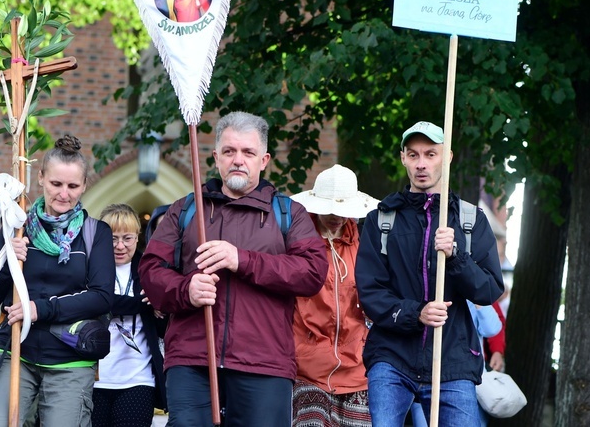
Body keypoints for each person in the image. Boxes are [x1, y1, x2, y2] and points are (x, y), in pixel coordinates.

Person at [139, 111, 329, 426]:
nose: (237, 159)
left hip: (264, 363)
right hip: (192, 360)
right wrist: (186, 290)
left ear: (264, 159)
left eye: (248, 152)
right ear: (216, 157)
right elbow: (150, 271)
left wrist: (242, 260)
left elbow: (312, 272)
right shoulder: (186, 210)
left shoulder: (289, 214)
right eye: (229, 151)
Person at [355, 121, 504, 426]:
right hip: (391, 358)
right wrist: (416, 312)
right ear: (403, 158)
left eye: (430, 154)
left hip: (453, 362)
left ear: (447, 156)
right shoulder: (381, 220)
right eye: (413, 155)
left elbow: (489, 290)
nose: (421, 164)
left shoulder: (470, 220)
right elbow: (370, 292)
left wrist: (456, 257)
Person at [0, 135, 115, 427]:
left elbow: (102, 297)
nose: (64, 194)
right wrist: (6, 261)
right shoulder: (16, 225)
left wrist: (39, 309)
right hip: (15, 350)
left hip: (69, 358)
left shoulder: (95, 233)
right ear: (40, 178)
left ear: (85, 185)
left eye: (73, 186)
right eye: (56, 184)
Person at [290, 164, 378, 427]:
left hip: (357, 368)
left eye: (343, 210)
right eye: (329, 209)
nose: (336, 216)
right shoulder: (296, 242)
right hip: (305, 366)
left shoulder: (366, 245)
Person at [91, 203, 167, 427]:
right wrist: (142, 304)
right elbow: (100, 303)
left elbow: (162, 321)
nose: (120, 246)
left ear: (137, 237)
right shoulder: (89, 268)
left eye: (127, 238)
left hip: (138, 378)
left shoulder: (149, 270)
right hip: (94, 379)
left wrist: (160, 306)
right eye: (113, 238)